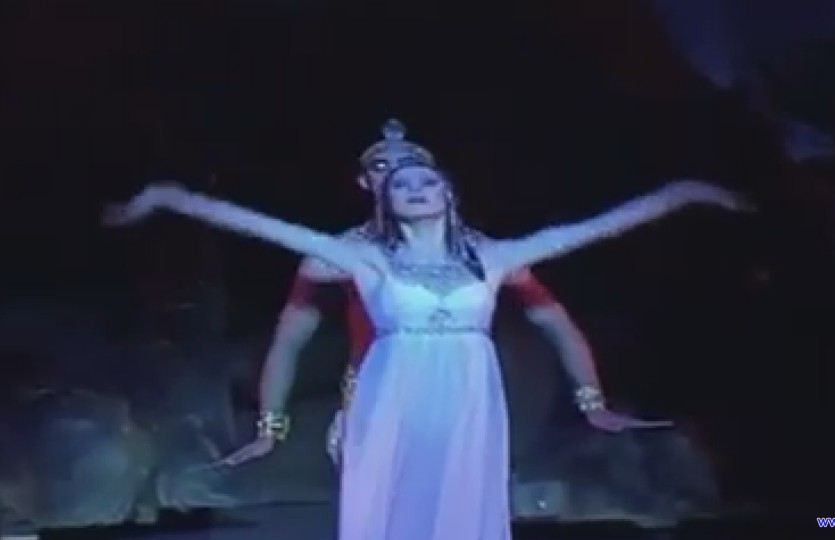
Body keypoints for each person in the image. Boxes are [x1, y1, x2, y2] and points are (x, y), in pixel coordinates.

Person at [104, 163, 745, 540]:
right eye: (401, 183)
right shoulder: (364, 258)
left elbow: (591, 229)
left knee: (463, 510)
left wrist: (678, 195)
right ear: (383, 200)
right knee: (392, 511)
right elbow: (263, 226)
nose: (414, 187)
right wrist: (171, 199)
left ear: (448, 194)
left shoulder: (496, 257)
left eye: (427, 180)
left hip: (468, 395)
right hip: (392, 393)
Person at [220, 119, 660, 468]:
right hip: (376, 399)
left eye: (415, 168)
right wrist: (269, 428)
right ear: (365, 182)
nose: (399, 175)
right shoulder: (340, 257)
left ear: (442, 186)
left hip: (461, 395)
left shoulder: (479, 254)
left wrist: (592, 402)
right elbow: (290, 340)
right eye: (382, 167)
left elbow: (554, 320)